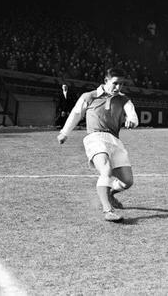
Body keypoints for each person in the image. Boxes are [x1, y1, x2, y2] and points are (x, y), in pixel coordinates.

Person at [56, 68, 139, 222]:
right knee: (106, 169)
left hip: (115, 141)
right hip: (95, 137)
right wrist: (64, 133)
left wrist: (131, 121)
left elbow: (133, 116)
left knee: (127, 181)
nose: (118, 87)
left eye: (121, 84)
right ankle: (108, 210)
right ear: (106, 81)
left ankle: (110, 194)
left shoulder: (124, 99)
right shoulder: (89, 96)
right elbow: (76, 114)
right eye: (115, 83)